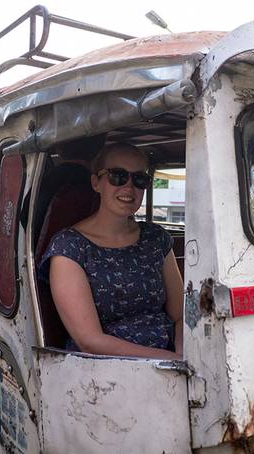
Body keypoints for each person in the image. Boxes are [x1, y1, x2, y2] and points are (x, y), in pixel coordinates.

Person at [39, 143, 183, 359]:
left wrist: (185, 353)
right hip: (108, 370)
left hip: (173, 356)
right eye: (117, 176)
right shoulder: (69, 247)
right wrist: (170, 360)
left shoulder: (155, 238)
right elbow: (89, 341)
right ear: (96, 183)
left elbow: (179, 314)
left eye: (139, 179)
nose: (129, 187)